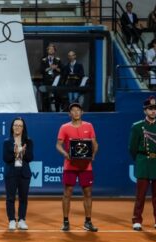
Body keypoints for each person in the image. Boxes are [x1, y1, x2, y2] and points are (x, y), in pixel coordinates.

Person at [128, 96, 156, 232]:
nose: (153, 111)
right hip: (143, 162)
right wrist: (140, 160)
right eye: (150, 109)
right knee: (140, 195)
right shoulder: (137, 126)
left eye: (155, 109)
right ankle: (136, 220)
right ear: (145, 111)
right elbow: (132, 148)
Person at [56, 102, 99, 232]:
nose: (76, 112)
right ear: (69, 114)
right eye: (73, 110)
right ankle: (65, 222)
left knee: (88, 193)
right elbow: (58, 145)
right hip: (70, 165)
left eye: (78, 110)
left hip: (86, 166)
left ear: (82, 112)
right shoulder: (64, 127)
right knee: (67, 193)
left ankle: (88, 221)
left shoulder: (89, 126)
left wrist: (93, 154)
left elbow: (95, 144)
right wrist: (65, 154)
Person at [3, 117, 34, 231]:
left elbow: (30, 158)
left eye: (20, 125)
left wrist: (23, 153)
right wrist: (14, 153)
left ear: (23, 128)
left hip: (24, 173)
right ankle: (11, 220)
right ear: (12, 127)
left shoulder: (28, 141)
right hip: (11, 173)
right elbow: (6, 158)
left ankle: (21, 220)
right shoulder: (7, 142)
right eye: (15, 125)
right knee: (10, 197)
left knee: (23, 198)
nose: (17, 127)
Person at [38, 43, 62, 112]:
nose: (51, 50)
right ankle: (45, 111)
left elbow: (61, 70)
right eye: (50, 49)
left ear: (55, 51)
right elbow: (42, 70)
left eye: (52, 49)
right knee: (45, 97)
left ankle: (57, 111)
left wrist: (56, 68)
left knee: (57, 96)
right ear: (47, 50)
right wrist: (50, 68)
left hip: (55, 81)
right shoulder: (43, 60)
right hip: (46, 80)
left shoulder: (58, 60)